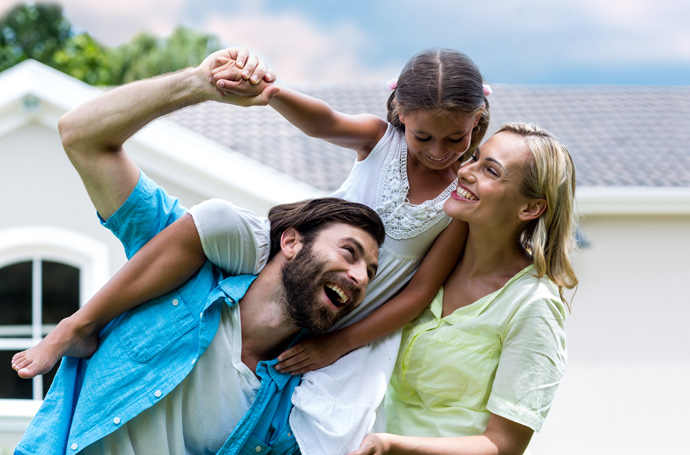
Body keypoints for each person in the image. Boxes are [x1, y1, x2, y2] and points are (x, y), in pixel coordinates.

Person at [13, 47, 491, 454]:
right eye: (348, 251)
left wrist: (338, 344)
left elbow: (418, 293)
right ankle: (78, 325)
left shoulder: (294, 406)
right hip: (267, 244)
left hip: (343, 338)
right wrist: (215, 85)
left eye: (456, 139)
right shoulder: (185, 263)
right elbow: (82, 136)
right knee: (216, 217)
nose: (438, 152)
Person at [345, 122, 578, 455]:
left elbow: (503, 445)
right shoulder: (423, 257)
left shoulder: (532, 305)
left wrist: (390, 444)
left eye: (491, 171)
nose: (465, 171)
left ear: (530, 208)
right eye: (473, 158)